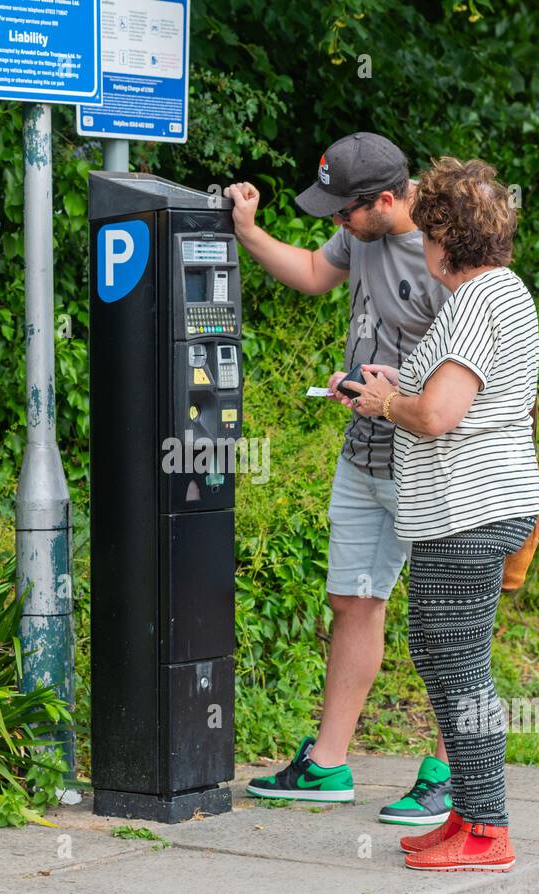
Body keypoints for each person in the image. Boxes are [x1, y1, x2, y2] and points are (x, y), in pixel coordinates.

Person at [225, 133, 457, 828]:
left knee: (450, 622)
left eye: (344, 212)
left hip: (429, 460)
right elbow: (311, 274)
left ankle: (450, 775)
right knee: (352, 600)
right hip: (365, 453)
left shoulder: (450, 258)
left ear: (387, 200)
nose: (334, 225)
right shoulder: (359, 238)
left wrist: (397, 386)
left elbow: (470, 375)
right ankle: (327, 765)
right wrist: (247, 231)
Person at [344, 156, 539, 871]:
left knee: (459, 671)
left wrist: (382, 402)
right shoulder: (505, 292)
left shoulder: (472, 301)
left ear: (442, 239)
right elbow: (465, 393)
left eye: (426, 231)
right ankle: (466, 813)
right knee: (447, 660)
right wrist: (405, 382)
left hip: (468, 510)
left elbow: (438, 414)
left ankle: (487, 832)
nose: (420, 244)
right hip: (482, 505)